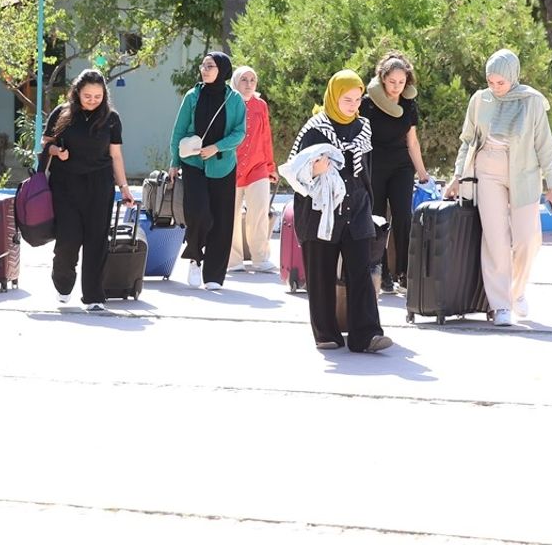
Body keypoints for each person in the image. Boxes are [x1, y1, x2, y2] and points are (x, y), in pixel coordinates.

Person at [444, 49, 552, 327]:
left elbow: (544, 145)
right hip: (487, 171)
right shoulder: (479, 100)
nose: (495, 88)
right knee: (495, 239)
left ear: (513, 77)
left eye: (501, 83)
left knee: (527, 240)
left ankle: (517, 291)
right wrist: (457, 175)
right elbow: (468, 140)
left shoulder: (531, 101)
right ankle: (500, 305)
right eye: (491, 82)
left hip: (523, 172)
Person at [284, 69, 393, 353]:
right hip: (320, 212)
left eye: (358, 99)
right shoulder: (315, 128)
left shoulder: (363, 128)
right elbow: (295, 170)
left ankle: (366, 335)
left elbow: (365, 170)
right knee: (320, 274)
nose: (354, 105)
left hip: (356, 208)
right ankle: (326, 333)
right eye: (347, 99)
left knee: (360, 272)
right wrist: (314, 168)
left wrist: (370, 206)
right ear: (334, 96)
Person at [43, 69, 135, 312]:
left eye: (98, 96)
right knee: (68, 241)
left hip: (99, 184)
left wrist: (124, 187)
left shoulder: (111, 118)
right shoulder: (62, 114)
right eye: (87, 96)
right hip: (65, 185)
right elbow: (46, 145)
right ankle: (63, 283)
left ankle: (94, 295)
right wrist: (57, 152)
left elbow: (115, 155)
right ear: (77, 93)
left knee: (97, 241)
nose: (93, 100)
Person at [168, 52, 246, 290]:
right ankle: (194, 258)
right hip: (193, 164)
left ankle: (214, 275)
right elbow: (179, 130)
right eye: (203, 65)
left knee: (222, 221)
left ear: (222, 70)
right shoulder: (193, 96)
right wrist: (174, 162)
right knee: (199, 213)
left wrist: (216, 147)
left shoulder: (234, 100)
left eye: (210, 66)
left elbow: (239, 132)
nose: (204, 69)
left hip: (222, 165)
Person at [358, 51, 432, 294]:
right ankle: (382, 272)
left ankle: (405, 272)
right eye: (392, 82)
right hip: (375, 165)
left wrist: (422, 173)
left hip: (401, 166)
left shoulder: (409, 104)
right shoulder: (368, 103)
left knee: (403, 216)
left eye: (401, 82)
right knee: (378, 219)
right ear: (382, 79)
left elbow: (412, 142)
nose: (396, 87)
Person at [227, 65, 278, 274]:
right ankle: (233, 260)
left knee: (259, 212)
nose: (248, 85)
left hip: (257, 167)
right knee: (230, 214)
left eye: (252, 80)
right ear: (235, 82)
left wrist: (270, 166)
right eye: (244, 80)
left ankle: (260, 257)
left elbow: (266, 136)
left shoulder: (261, 105)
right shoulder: (228, 103)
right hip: (231, 166)